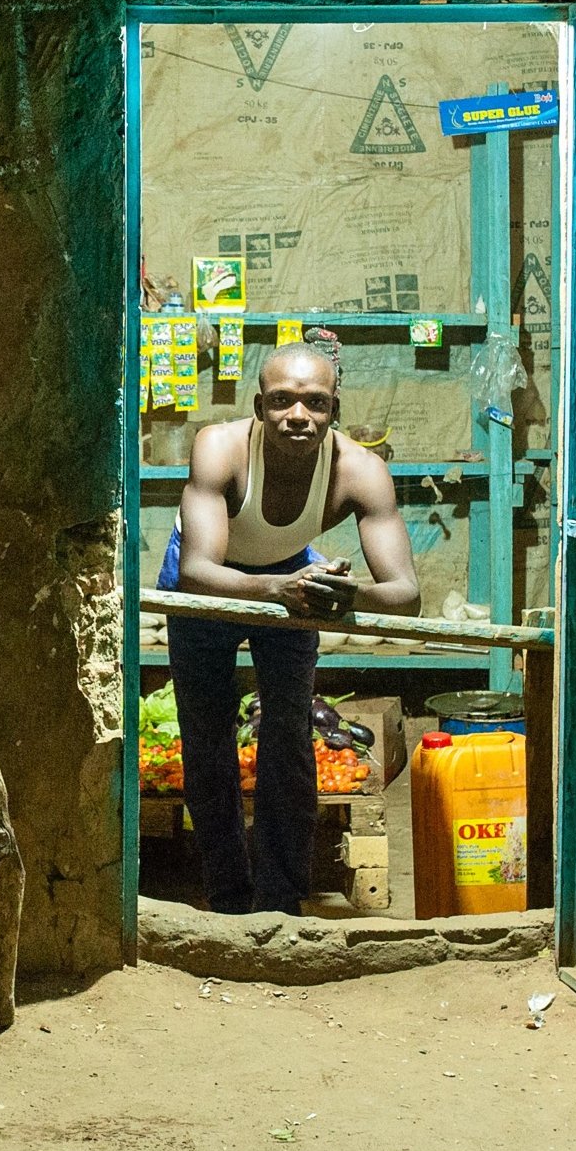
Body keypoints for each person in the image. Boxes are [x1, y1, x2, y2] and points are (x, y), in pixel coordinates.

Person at [157, 339, 421, 914]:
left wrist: (347, 596)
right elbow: (197, 572)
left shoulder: (360, 471)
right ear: (259, 407)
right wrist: (276, 590)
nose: (298, 416)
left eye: (315, 403)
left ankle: (279, 902)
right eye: (281, 400)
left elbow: (406, 595)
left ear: (334, 410)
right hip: (210, 579)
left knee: (289, 732)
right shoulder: (220, 448)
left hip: (293, 574)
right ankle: (228, 898)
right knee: (207, 735)